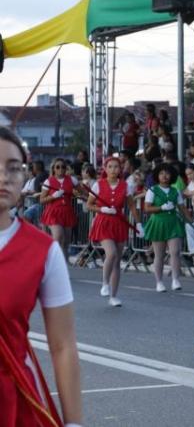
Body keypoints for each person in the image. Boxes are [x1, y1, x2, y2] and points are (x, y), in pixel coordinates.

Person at [0, 127, 83, 426]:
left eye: (13, 168)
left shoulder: (44, 251)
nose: (4, 177)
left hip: (14, 399)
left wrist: (73, 423)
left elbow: (63, 345)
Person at [87, 156, 143, 307]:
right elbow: (88, 205)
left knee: (117, 260)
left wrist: (139, 224)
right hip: (104, 222)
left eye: (116, 167)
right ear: (105, 169)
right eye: (110, 167)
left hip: (119, 223)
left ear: (120, 169)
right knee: (111, 253)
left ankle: (114, 295)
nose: (113, 170)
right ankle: (104, 283)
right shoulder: (98, 185)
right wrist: (101, 209)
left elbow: (131, 206)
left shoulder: (126, 186)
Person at [143, 162, 191, 292]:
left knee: (175, 252)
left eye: (167, 173)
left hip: (173, 222)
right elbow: (147, 208)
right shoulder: (152, 190)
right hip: (158, 222)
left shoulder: (175, 191)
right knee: (159, 254)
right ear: (157, 175)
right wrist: (161, 208)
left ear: (172, 176)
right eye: (162, 173)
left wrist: (191, 221)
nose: (164, 176)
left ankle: (175, 279)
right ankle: (159, 282)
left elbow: (182, 208)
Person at [40, 157, 80, 257]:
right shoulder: (48, 182)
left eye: (63, 167)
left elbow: (82, 192)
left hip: (67, 212)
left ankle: (64, 264)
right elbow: (42, 200)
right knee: (58, 236)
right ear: (53, 169)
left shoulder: (72, 180)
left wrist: (77, 193)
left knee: (66, 241)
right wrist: (53, 196)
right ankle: (52, 259)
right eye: (57, 167)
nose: (60, 169)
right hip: (53, 212)